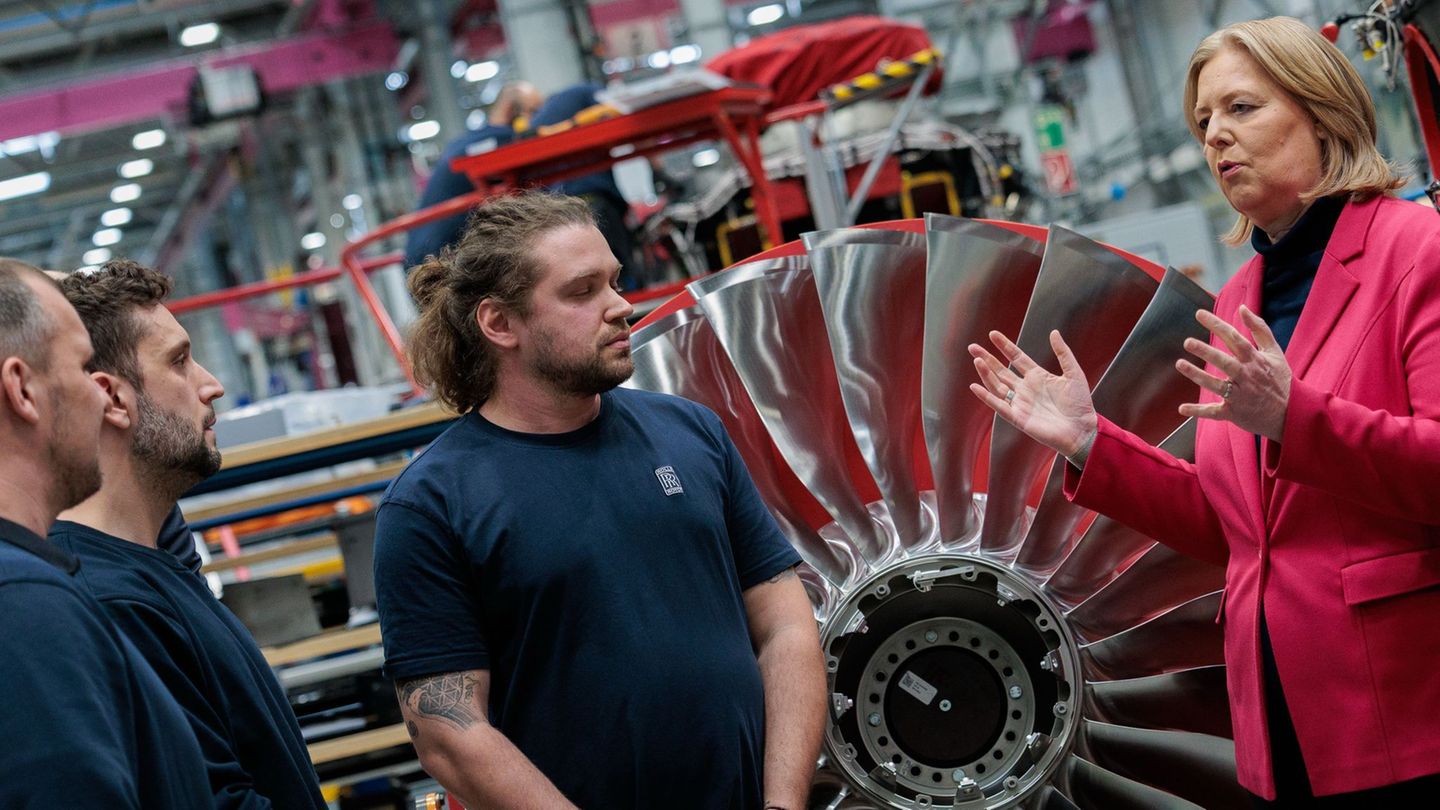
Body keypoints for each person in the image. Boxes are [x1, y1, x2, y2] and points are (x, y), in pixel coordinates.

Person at [968, 16, 1440, 807]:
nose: (1216, 135)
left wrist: (1297, 419)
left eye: (1241, 108)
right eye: (1204, 121)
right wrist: (1091, 443)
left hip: (1401, 709)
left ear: (1322, 113)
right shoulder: (1240, 296)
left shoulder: (1415, 250)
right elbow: (1240, 529)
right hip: (1279, 724)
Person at [374, 191, 826, 810]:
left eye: (614, 281)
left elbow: (785, 626)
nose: (621, 306)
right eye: (582, 292)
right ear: (499, 324)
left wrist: (782, 804)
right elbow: (449, 733)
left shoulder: (690, 432)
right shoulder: (432, 505)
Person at [52, 259, 326, 810]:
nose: (212, 385)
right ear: (112, 399)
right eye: (179, 361)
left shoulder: (152, 563)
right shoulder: (115, 603)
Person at [0, 260, 212, 808]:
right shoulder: (25, 604)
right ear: (21, 389)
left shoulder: (37, 585)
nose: (101, 399)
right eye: (78, 368)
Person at [404, 81, 545, 268]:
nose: (538, 120)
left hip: (426, 254)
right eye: (534, 112)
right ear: (511, 109)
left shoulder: (468, 140)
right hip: (436, 257)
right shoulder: (500, 139)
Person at [529, 82, 638, 286]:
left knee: (582, 280)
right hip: (595, 200)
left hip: (555, 212)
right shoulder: (587, 91)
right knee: (621, 275)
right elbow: (628, 118)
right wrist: (659, 172)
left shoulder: (538, 121)